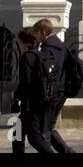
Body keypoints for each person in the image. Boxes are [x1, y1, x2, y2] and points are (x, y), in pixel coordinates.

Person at [33, 19, 76, 153]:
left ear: (43, 32)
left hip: (52, 93)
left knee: (43, 130)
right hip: (61, 91)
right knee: (48, 127)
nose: (35, 36)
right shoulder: (62, 46)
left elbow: (47, 73)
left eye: (37, 33)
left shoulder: (48, 48)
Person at [11, 27, 56, 154]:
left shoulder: (27, 57)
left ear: (26, 43)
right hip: (41, 103)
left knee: (35, 138)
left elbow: (26, 82)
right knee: (17, 134)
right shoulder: (43, 55)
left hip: (32, 105)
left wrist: (16, 95)